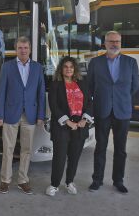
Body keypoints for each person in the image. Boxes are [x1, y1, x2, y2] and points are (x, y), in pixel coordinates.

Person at [87, 31, 139, 194]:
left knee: (120, 149)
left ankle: (118, 180)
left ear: (120, 43)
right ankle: (97, 180)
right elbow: (90, 86)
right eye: (111, 41)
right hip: (102, 110)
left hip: (122, 111)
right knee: (100, 147)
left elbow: (134, 86)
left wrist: (119, 99)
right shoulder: (95, 63)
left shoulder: (131, 62)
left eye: (117, 41)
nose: (114, 44)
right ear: (105, 43)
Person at [0, 36, 46, 195]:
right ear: (16, 50)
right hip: (11, 113)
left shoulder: (38, 68)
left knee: (26, 150)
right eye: (20, 48)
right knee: (8, 149)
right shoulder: (7, 67)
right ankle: (5, 180)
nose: (23, 51)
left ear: (30, 49)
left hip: (30, 115)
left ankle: (23, 180)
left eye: (25, 48)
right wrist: (0, 114)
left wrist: (40, 115)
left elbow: (40, 94)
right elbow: (1, 92)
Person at [45, 56, 93, 196]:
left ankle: (69, 182)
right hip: (62, 126)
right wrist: (68, 122)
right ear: (61, 69)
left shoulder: (82, 83)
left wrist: (85, 120)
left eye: (71, 67)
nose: (68, 69)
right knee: (59, 157)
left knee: (74, 156)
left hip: (80, 125)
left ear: (75, 69)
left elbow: (90, 102)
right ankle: (54, 185)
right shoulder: (55, 84)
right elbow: (54, 106)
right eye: (66, 67)